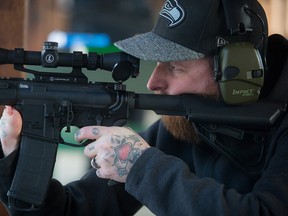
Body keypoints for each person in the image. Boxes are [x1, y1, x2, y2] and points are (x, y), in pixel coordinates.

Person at [1, 0, 288, 215]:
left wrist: (142, 167)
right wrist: (14, 160)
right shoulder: (185, 123)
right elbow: (74, 211)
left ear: (236, 71)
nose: (153, 82)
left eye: (175, 67)